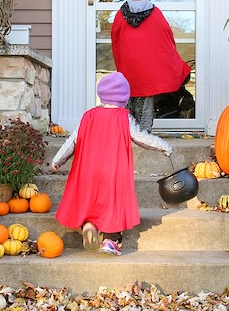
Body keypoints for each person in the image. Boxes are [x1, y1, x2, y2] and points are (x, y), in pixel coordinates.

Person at [51, 72, 172, 256]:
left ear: (101, 94)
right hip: (113, 172)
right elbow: (141, 138)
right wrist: (164, 146)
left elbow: (72, 141)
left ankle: (89, 225)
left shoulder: (88, 116)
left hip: (88, 171)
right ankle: (110, 241)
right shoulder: (124, 117)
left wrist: (57, 160)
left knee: (89, 200)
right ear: (124, 97)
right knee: (112, 206)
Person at [111, 0, 192, 132]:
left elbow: (116, 40)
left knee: (128, 101)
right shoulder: (155, 14)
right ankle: (144, 135)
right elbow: (167, 41)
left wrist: (121, 64)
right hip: (148, 72)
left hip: (129, 69)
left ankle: (128, 134)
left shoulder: (121, 15)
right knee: (146, 103)